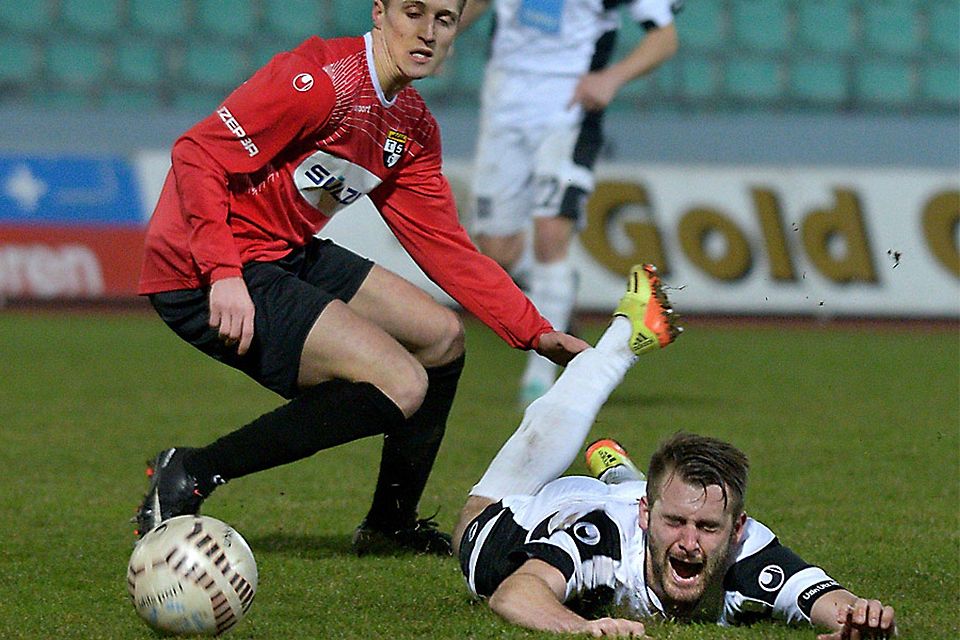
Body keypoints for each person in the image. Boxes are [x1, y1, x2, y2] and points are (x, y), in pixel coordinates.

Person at [133, 0, 588, 557]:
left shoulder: (412, 126)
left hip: (280, 251)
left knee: (440, 336)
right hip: (200, 265)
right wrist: (222, 271)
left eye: (443, 20)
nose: (426, 33)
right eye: (413, 12)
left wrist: (534, 331)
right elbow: (197, 154)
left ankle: (390, 523)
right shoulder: (320, 83)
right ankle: (192, 472)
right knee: (402, 383)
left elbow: (444, 246)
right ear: (379, 12)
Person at [452, 265, 897, 638]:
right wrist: (584, 629)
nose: (689, 544)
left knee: (667, 496)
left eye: (707, 527)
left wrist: (861, 617)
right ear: (648, 518)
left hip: (636, 501)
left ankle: (621, 474)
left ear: (737, 527)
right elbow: (515, 592)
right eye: (676, 524)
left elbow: (819, 596)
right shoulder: (600, 540)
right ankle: (618, 347)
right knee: (473, 514)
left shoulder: (746, 550)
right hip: (528, 515)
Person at [457, 0, 681, 406]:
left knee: (550, 232)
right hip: (504, 107)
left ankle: (540, 380)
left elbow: (664, 37)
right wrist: (442, 37)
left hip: (568, 112)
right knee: (496, 254)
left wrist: (611, 78)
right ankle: (555, 286)